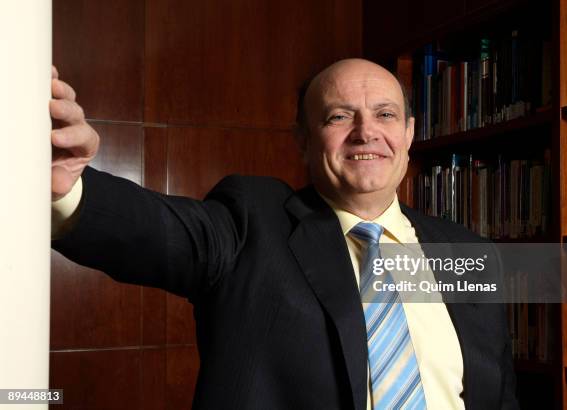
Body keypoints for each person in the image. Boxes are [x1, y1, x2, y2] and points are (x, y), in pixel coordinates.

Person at [50, 59, 519, 409]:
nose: (365, 133)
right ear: (303, 140)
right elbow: (161, 231)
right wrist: (74, 187)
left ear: (410, 132)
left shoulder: (471, 254)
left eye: (385, 115)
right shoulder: (251, 221)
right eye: (339, 117)